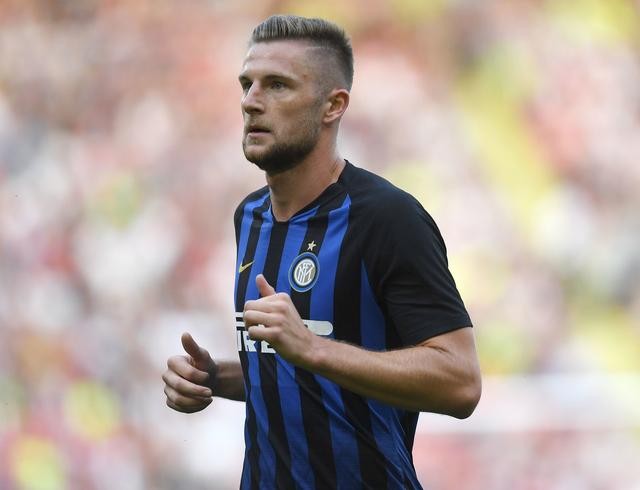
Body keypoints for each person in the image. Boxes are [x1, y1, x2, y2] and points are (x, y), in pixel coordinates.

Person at [162, 14, 481, 490]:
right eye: (247, 84)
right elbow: (302, 376)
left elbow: (461, 382)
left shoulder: (386, 218)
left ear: (333, 105)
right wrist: (217, 378)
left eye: (277, 85)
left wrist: (313, 348)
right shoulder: (250, 217)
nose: (251, 101)